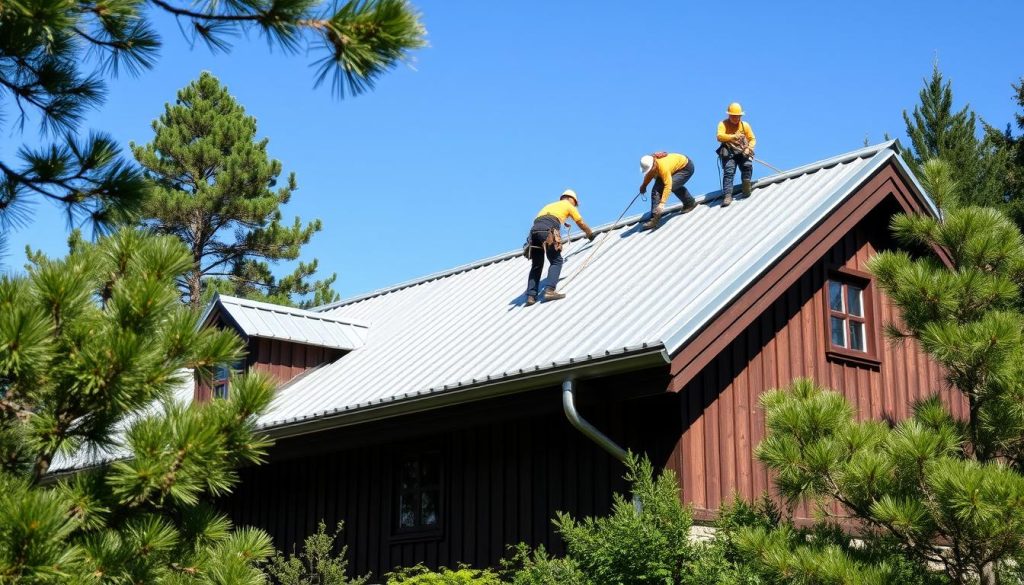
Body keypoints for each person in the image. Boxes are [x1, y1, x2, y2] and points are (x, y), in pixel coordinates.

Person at [524, 189, 595, 305]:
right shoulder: (568, 205)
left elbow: (544, 219)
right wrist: (590, 234)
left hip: (534, 232)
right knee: (556, 260)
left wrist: (562, 221)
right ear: (571, 199)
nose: (575, 206)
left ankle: (531, 296)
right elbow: (580, 222)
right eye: (575, 203)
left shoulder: (550, 206)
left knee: (537, 265)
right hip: (547, 230)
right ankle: (550, 290)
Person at [638, 152, 696, 230]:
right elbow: (650, 174)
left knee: (673, 186)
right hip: (673, 169)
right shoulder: (653, 165)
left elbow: (668, 186)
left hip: (685, 167)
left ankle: (690, 203)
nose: (650, 171)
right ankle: (654, 217)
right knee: (656, 190)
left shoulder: (663, 167)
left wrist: (662, 204)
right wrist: (644, 185)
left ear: (654, 164)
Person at [716, 102, 756, 207]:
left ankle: (746, 187)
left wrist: (749, 148)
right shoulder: (723, 124)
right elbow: (719, 136)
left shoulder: (745, 125)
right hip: (729, 151)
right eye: (733, 116)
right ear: (729, 115)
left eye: (737, 116)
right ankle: (728, 195)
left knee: (747, 165)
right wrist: (733, 137)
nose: (736, 118)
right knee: (729, 171)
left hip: (742, 150)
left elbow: (752, 139)